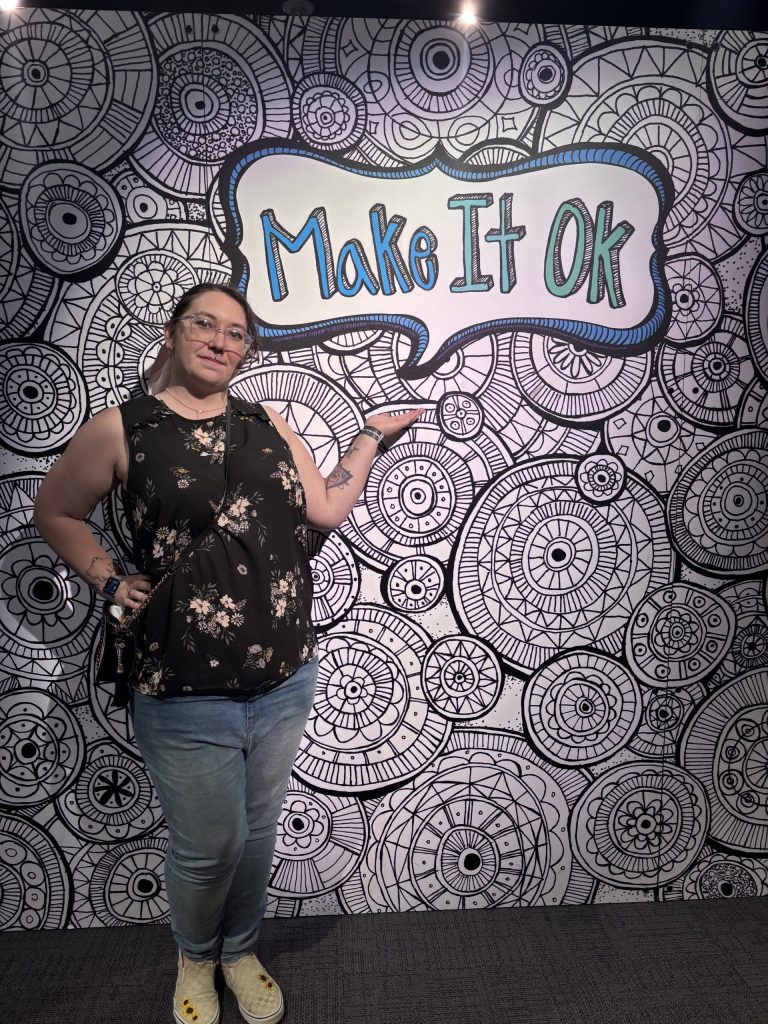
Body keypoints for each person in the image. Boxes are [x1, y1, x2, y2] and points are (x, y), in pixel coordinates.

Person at [34, 282, 422, 1024]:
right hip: (181, 683)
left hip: (283, 675)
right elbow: (56, 509)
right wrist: (108, 578)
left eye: (236, 333)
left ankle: (240, 951)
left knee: (254, 836)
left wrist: (370, 437)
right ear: (173, 332)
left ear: (248, 349)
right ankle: (196, 956)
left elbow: (327, 507)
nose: (219, 341)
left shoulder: (268, 423)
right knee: (209, 842)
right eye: (204, 326)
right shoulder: (124, 429)